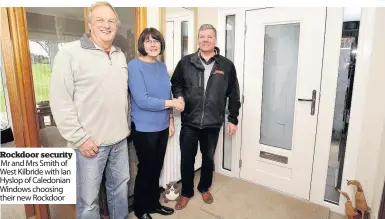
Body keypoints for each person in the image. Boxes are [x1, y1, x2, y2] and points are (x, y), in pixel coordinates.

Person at [49, 2, 130, 219]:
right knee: (89, 202)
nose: (106, 25)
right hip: (89, 144)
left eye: (111, 21)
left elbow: (121, 96)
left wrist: (127, 127)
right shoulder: (69, 53)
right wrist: (80, 139)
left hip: (120, 140)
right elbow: (60, 100)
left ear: (117, 25)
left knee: (119, 191)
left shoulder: (119, 55)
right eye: (100, 20)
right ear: (90, 24)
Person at [171, 24, 241, 210]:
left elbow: (234, 94)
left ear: (215, 40)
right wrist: (179, 95)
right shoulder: (186, 62)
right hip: (190, 121)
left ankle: (204, 187)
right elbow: (176, 83)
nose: (205, 40)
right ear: (198, 40)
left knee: (208, 159)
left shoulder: (226, 65)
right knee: (187, 159)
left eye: (209, 36)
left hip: (212, 123)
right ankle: (186, 192)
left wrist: (233, 118)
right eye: (202, 36)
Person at [128, 27, 182, 219]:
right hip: (143, 128)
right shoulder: (134, 66)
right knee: (146, 169)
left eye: (156, 40)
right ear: (142, 44)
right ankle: (140, 209)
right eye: (148, 41)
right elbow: (142, 100)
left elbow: (165, 94)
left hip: (162, 125)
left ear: (161, 44)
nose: (152, 44)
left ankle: (153, 204)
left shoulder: (161, 65)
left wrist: (170, 118)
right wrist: (173, 104)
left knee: (156, 168)